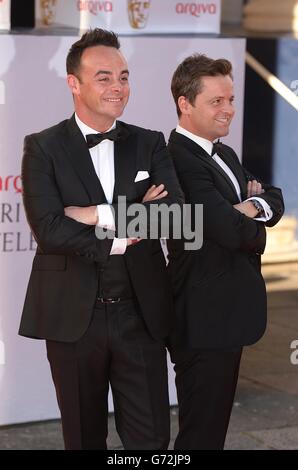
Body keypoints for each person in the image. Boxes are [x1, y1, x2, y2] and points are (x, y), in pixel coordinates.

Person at [19, 29, 183, 450]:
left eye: (124, 76)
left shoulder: (149, 143)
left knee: (151, 442)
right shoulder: (43, 147)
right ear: (74, 83)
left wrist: (95, 215)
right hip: (74, 319)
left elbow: (177, 218)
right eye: (105, 77)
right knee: (83, 438)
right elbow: (51, 230)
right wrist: (131, 218)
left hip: (141, 316)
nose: (118, 87)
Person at [167, 54, 284, 450]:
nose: (229, 109)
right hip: (203, 315)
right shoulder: (179, 158)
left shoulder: (225, 154)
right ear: (185, 103)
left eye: (230, 99)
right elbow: (226, 230)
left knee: (211, 430)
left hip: (226, 311)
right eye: (216, 101)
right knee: (200, 433)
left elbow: (275, 198)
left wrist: (247, 208)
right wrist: (248, 216)